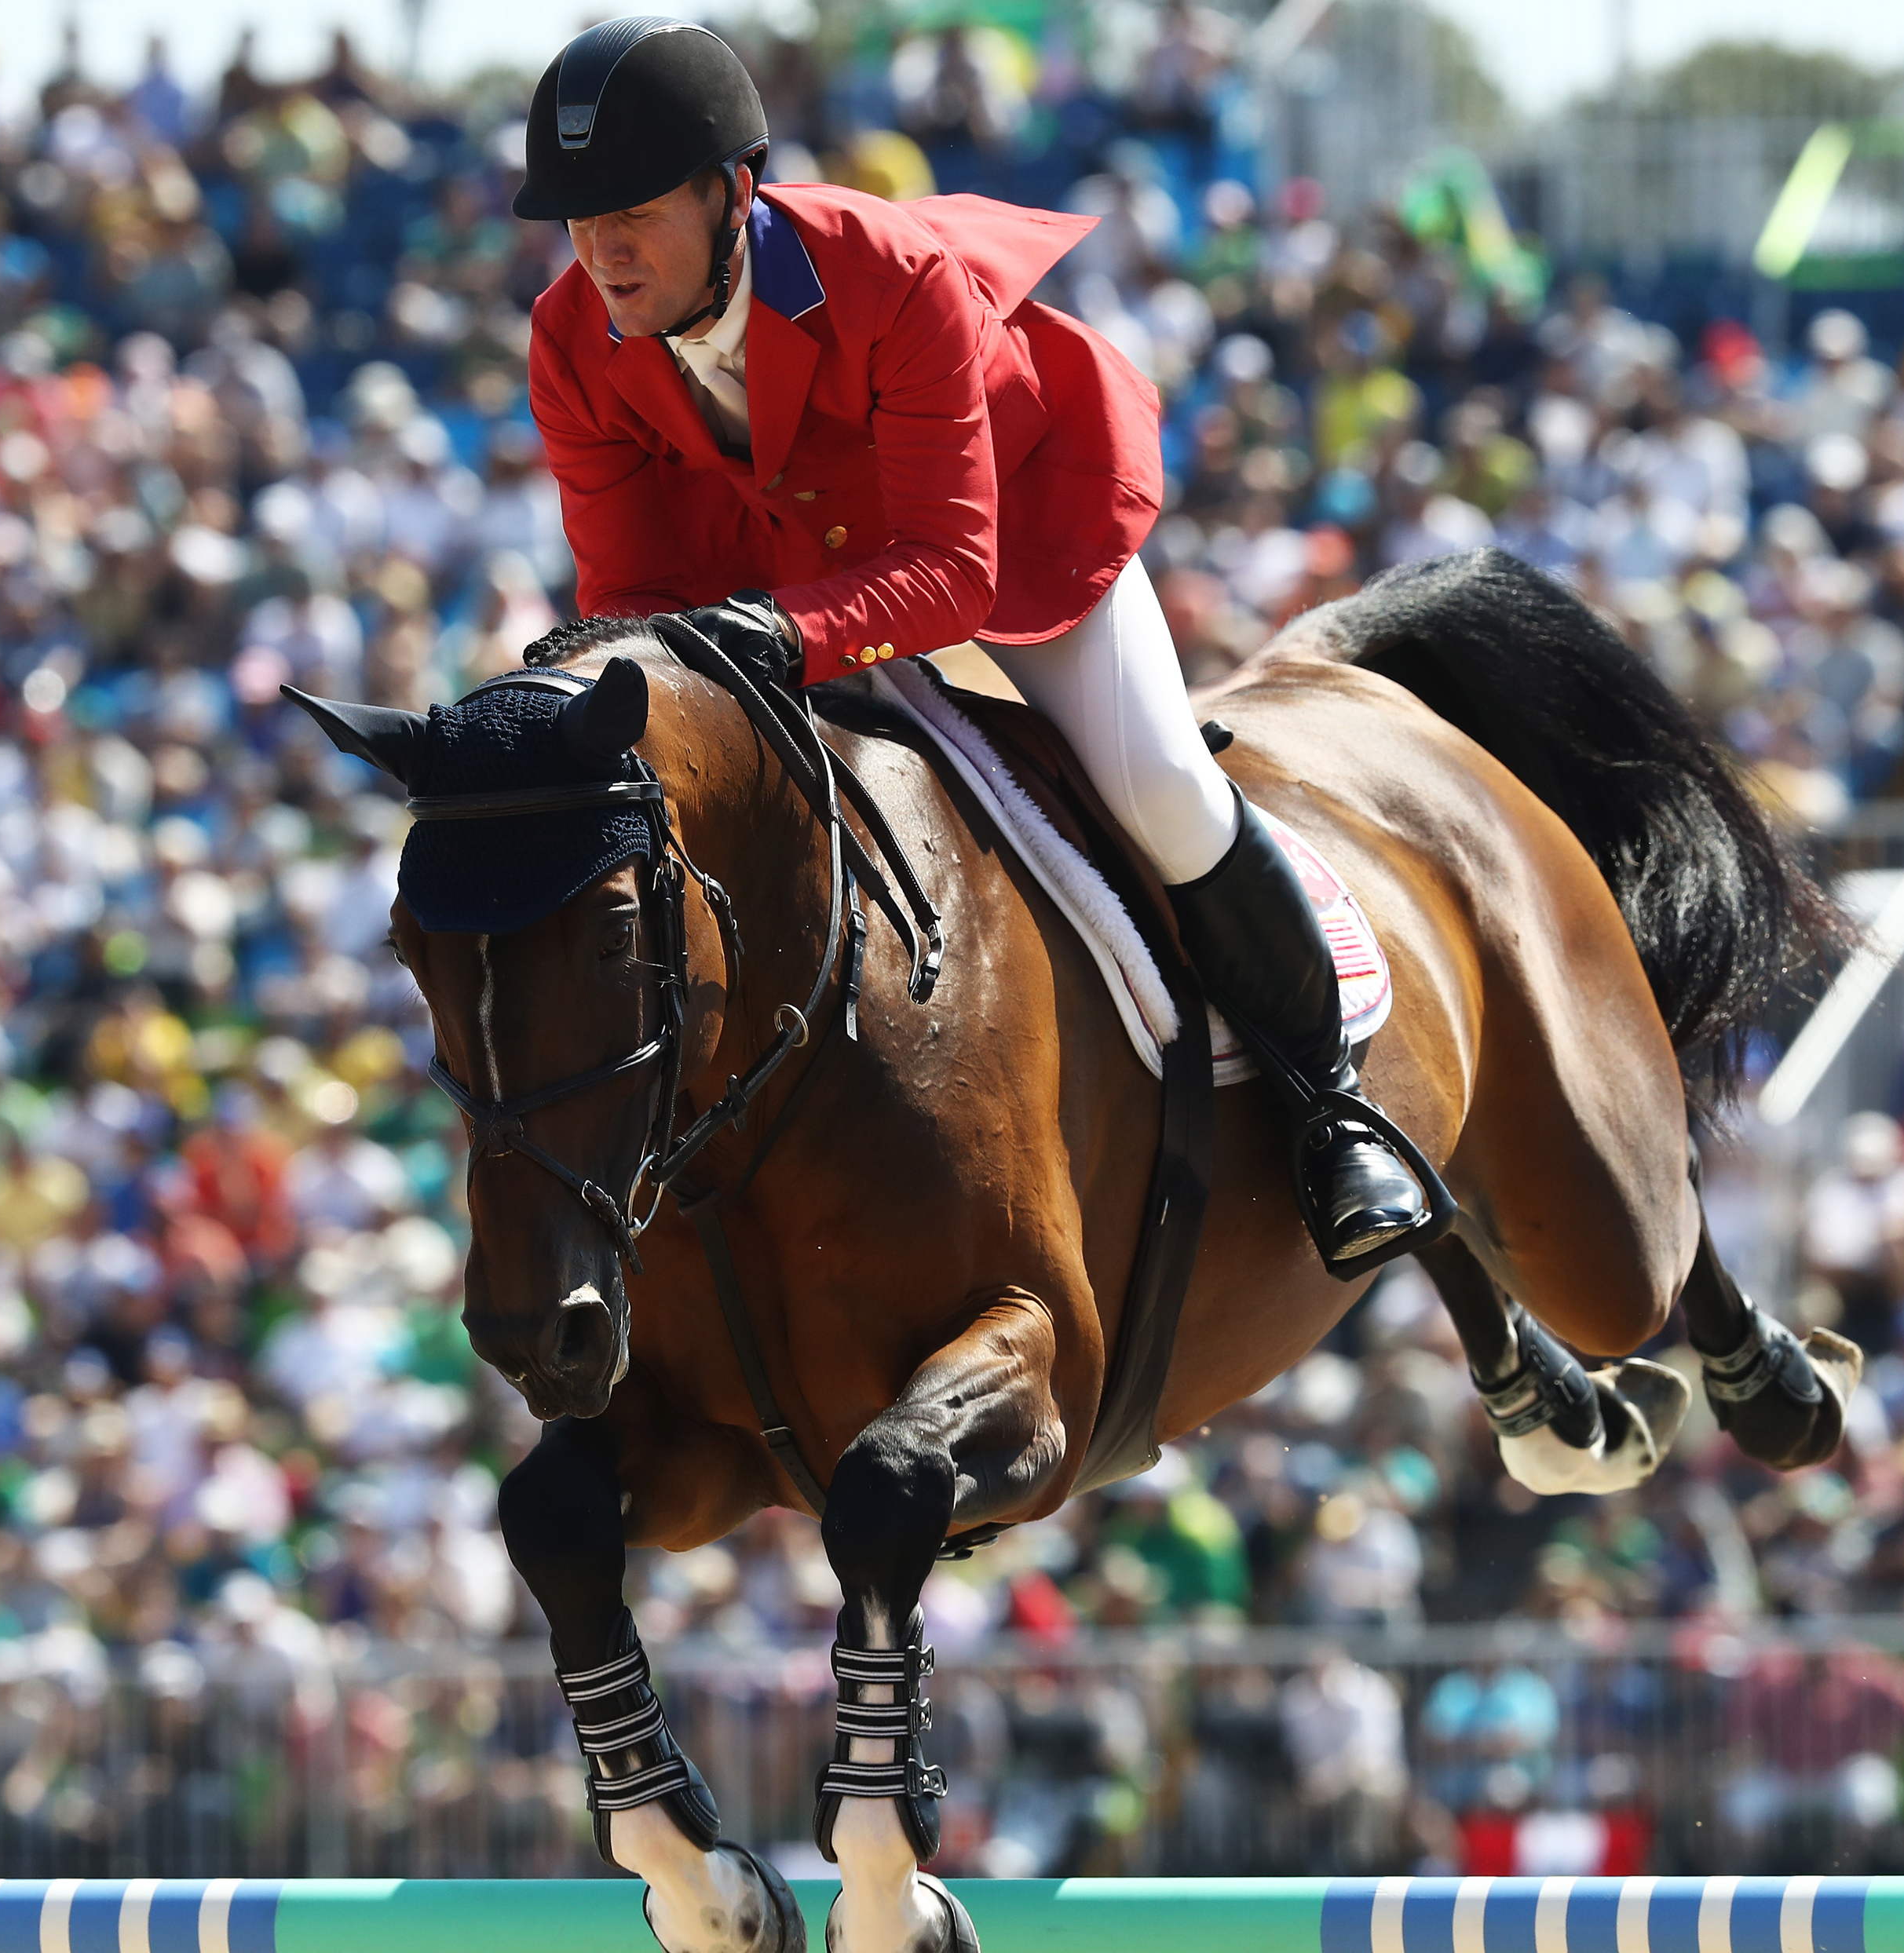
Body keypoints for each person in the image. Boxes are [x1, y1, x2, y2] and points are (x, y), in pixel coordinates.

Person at [512, 17, 1432, 1272]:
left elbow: (955, 570)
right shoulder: (570, 336)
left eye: (633, 213)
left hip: (1012, 538)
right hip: (783, 578)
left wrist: (778, 631)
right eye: (578, 220)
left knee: (1158, 783)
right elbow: (630, 590)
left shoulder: (884, 273)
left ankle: (1336, 1106)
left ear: (733, 194)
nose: (602, 252)